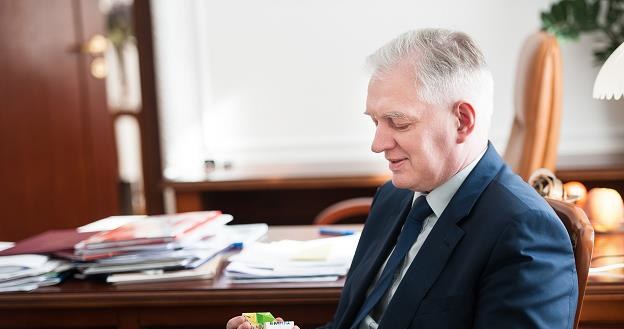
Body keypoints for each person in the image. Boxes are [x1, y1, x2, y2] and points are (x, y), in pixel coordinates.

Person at [227, 28, 577, 329]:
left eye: (399, 122)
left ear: (463, 122)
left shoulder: (524, 232)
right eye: (375, 122)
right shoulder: (395, 198)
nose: (377, 144)